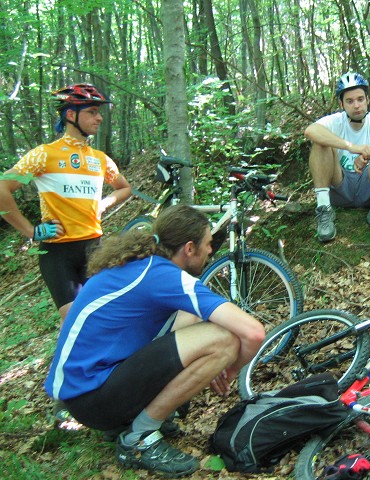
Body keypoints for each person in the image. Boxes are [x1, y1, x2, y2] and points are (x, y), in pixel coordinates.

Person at [44, 204, 266, 477]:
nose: (211, 251)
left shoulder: (140, 264)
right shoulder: (163, 276)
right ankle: (139, 437)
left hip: (83, 393)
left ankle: (132, 418)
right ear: (189, 248)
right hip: (92, 399)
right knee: (225, 340)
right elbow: (253, 332)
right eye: (208, 244)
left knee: (192, 314)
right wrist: (230, 370)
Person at [0, 83, 132, 321]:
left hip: (94, 248)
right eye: (92, 112)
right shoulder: (44, 155)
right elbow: (2, 188)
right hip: (58, 252)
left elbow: (125, 188)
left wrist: (104, 203)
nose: (100, 118)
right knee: (74, 319)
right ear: (71, 115)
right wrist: (31, 231)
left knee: (101, 316)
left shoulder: (100, 159)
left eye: (99, 112)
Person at [304, 72, 370, 242]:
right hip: (340, 187)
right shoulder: (336, 121)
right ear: (341, 104)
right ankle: (324, 209)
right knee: (320, 143)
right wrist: (352, 147)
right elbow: (311, 131)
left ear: (367, 100)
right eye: (350, 101)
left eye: (360, 99)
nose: (356, 105)